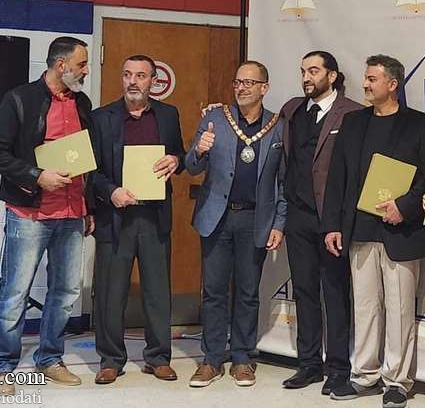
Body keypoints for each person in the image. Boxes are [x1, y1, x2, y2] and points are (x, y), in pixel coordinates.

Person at [322, 55, 425, 408]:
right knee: (365, 307)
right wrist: (332, 224)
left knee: (400, 309)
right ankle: (364, 375)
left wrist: (403, 207)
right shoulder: (353, 122)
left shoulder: (421, 124)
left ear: (392, 84)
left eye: (372, 79)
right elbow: (338, 176)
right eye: (366, 78)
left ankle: (397, 381)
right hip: (359, 230)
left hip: (401, 231)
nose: (365, 84)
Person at [0, 36, 94, 395]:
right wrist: (36, 176)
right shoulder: (19, 99)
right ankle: (1, 366)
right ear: (61, 65)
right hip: (29, 213)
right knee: (15, 292)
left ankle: (50, 358)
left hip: (72, 212)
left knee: (65, 292)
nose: (86, 71)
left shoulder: (83, 103)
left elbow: (87, 161)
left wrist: (88, 207)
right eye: (81, 64)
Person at [185, 61, 287, 388]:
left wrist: (279, 223)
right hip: (217, 217)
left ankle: (242, 357)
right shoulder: (215, 119)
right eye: (238, 82)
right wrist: (199, 151)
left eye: (248, 83)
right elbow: (191, 166)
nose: (241, 88)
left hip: (255, 219)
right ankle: (212, 359)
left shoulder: (278, 126)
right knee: (214, 291)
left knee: (247, 291)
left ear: (264, 88)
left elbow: (283, 182)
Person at [88, 55, 185, 384]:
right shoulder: (101, 118)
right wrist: (110, 191)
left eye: (141, 75)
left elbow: (179, 154)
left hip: (155, 215)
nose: (133, 81)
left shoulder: (168, 115)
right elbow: (90, 171)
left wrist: (176, 160)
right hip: (115, 216)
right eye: (127, 74)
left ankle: (158, 358)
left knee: (157, 291)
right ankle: (110, 359)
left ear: (153, 81)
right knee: (110, 293)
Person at [278, 51, 362, 394]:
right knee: (304, 291)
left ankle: (339, 367)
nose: (306, 77)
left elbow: (355, 171)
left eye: (313, 71)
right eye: (303, 71)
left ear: (332, 75)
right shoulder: (293, 110)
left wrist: (338, 220)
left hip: (332, 218)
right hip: (297, 216)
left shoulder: (353, 113)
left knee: (336, 293)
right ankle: (309, 364)